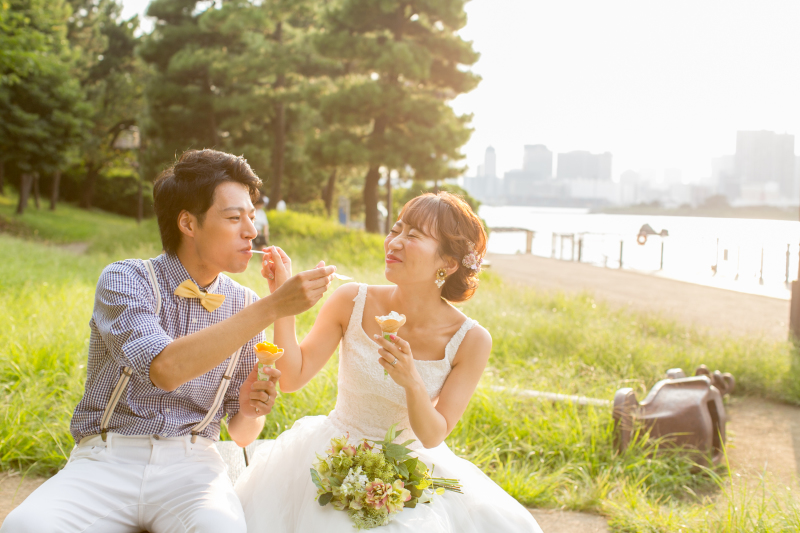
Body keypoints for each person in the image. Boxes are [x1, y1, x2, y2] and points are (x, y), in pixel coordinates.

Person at [2, 149, 336, 533]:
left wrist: (250, 406)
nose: (251, 230)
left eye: (250, 214)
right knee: (25, 526)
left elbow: (241, 433)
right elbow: (164, 369)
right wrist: (272, 307)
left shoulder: (245, 303)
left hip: (193, 468)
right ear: (188, 223)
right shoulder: (125, 280)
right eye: (233, 217)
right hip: (106, 459)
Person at [235, 192, 542, 532]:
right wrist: (282, 299)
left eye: (412, 235)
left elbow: (432, 435)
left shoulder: (471, 340)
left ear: (448, 263)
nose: (394, 242)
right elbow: (292, 378)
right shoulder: (350, 299)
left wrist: (412, 381)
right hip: (332, 453)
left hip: (410, 467)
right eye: (396, 229)